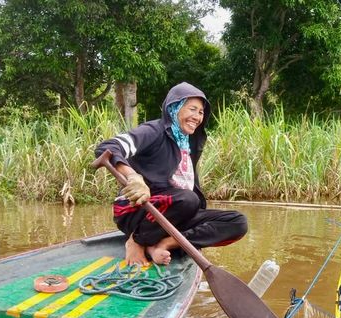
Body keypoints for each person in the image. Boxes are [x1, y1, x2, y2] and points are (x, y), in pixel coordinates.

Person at [95, 82, 247, 266]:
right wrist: (133, 177)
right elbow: (108, 147)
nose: (198, 117)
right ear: (174, 108)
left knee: (237, 222)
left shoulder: (187, 143)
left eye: (201, 112)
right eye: (192, 109)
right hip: (139, 209)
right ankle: (136, 240)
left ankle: (164, 243)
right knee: (189, 199)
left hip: (177, 212)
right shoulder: (154, 131)